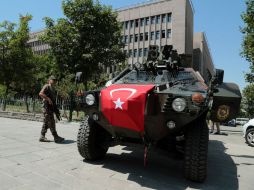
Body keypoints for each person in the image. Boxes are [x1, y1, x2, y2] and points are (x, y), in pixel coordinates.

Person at [39, 75, 64, 143]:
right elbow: (41, 93)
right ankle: (56, 137)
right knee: (51, 122)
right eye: (53, 80)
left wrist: (56, 110)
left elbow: (53, 101)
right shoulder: (47, 86)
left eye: (55, 80)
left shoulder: (53, 89)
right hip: (46, 108)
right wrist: (48, 99)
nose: (54, 81)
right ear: (49, 80)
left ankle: (42, 136)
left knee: (47, 122)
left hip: (50, 108)